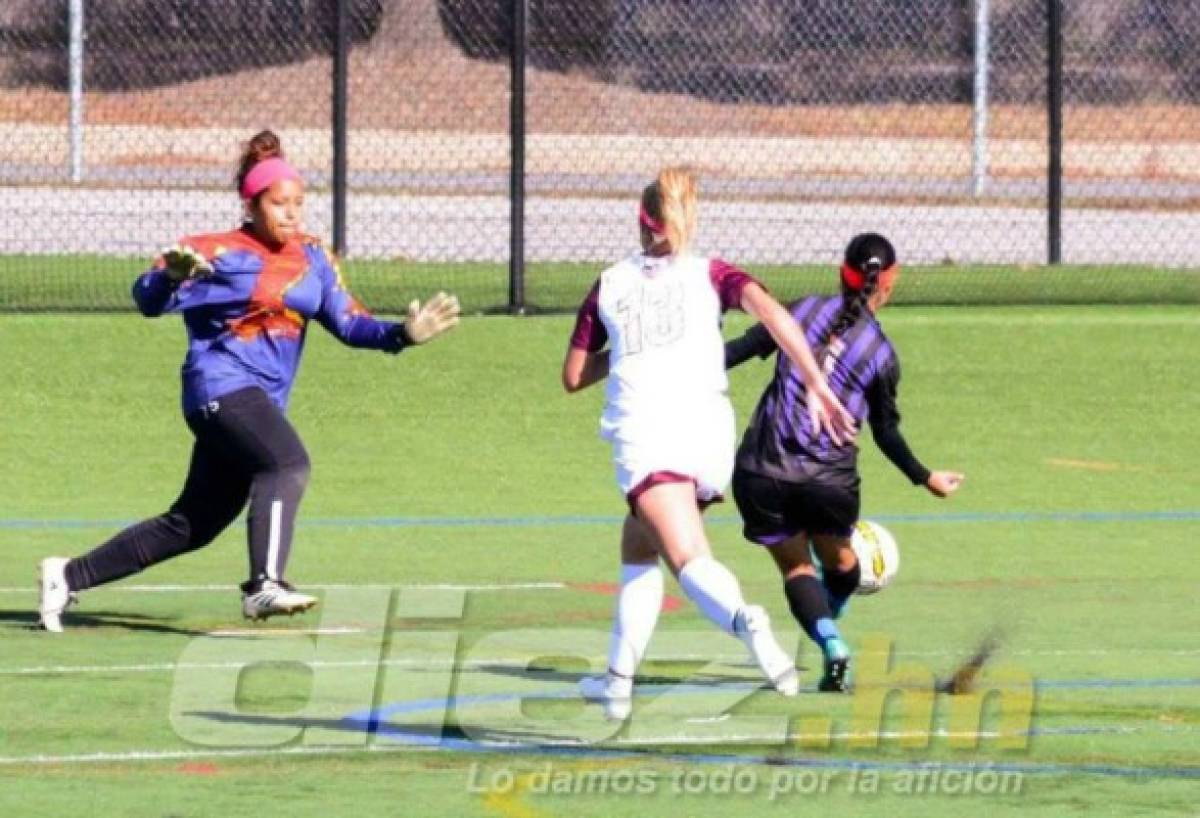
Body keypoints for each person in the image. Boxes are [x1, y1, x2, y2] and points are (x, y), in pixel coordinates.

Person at [37, 129, 461, 632]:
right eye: (280, 203)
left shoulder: (314, 259)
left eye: (298, 203)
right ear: (252, 203)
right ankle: (265, 585)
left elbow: (350, 323)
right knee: (286, 463)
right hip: (218, 388)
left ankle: (68, 575)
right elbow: (148, 301)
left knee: (194, 523)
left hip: (256, 403)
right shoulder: (214, 251)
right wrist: (169, 278)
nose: (292, 213)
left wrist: (403, 335)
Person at [562, 166, 857, 719]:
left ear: (641, 220)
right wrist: (816, 383)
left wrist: (625, 350)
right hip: (707, 433)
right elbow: (772, 314)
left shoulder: (609, 283)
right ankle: (617, 681)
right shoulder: (712, 274)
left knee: (686, 555)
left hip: (647, 433)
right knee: (639, 544)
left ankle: (749, 624)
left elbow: (574, 375)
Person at [723, 232, 964, 691]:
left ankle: (830, 639)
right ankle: (827, 621)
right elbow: (885, 433)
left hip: (763, 471)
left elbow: (733, 352)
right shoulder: (882, 355)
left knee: (796, 567)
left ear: (842, 272)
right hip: (828, 484)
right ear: (889, 282)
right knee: (842, 564)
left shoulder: (800, 309)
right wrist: (925, 477)